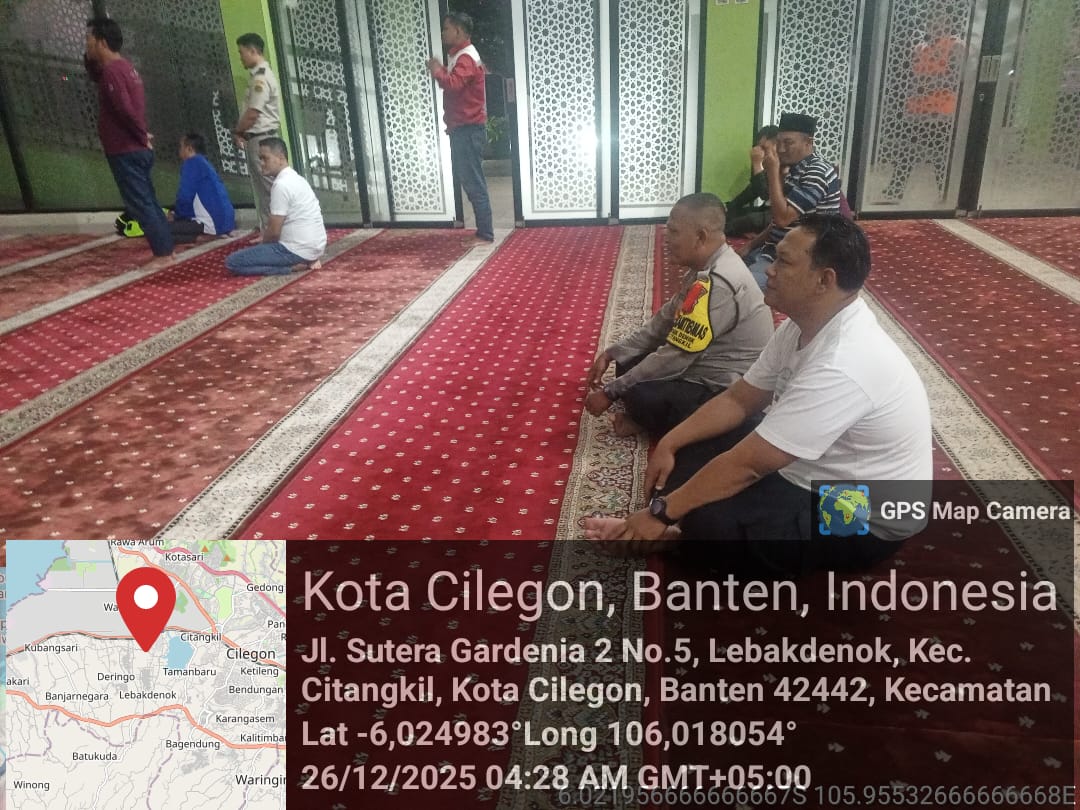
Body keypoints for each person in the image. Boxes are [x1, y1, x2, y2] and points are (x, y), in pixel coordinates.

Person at [586, 214, 932, 579]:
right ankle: (682, 526)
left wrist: (660, 514)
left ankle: (676, 536)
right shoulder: (803, 325)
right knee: (692, 449)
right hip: (807, 467)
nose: (769, 269)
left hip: (862, 514)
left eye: (783, 261)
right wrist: (670, 443)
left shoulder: (845, 361)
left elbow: (751, 464)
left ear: (824, 280)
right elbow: (739, 400)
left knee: (709, 522)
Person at [584, 193, 773, 439]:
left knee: (642, 395)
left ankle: (655, 424)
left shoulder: (719, 282)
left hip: (725, 387)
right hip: (702, 364)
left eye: (673, 232)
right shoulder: (706, 269)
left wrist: (610, 392)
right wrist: (611, 352)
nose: (666, 238)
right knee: (627, 361)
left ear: (700, 237)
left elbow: (677, 356)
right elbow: (663, 322)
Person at [84, 16, 174, 268]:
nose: (86, 44)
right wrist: (142, 135)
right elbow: (96, 76)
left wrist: (141, 136)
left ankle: (163, 254)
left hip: (126, 149)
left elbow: (125, 110)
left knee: (141, 203)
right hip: (133, 147)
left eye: (89, 39)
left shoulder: (113, 72)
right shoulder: (124, 68)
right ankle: (166, 249)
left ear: (102, 42)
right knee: (148, 201)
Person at [738, 113, 841, 290]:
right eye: (779, 143)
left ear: (808, 142)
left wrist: (773, 172)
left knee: (741, 289)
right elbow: (776, 223)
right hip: (773, 250)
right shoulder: (796, 169)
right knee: (721, 272)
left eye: (788, 143)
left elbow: (782, 219)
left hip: (799, 257)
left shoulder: (816, 172)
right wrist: (750, 245)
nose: (781, 149)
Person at [879, 14, 964, 203]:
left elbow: (956, 78)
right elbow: (912, 77)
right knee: (906, 151)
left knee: (939, 155)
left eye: (938, 21)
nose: (933, 25)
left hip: (941, 111)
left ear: (948, 24)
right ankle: (896, 190)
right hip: (918, 109)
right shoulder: (920, 48)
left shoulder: (955, 46)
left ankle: (946, 193)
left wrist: (927, 83)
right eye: (930, 21)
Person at [426, 12, 493, 243]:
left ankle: (485, 232)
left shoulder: (466, 57)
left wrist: (437, 70)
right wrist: (440, 70)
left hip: (468, 129)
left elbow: (453, 84)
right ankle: (484, 231)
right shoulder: (461, 55)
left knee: (473, 181)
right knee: (471, 180)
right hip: (464, 128)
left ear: (459, 31)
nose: (443, 33)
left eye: (446, 29)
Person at [225, 138, 325, 276]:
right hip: (316, 247)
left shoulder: (281, 185)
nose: (261, 163)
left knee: (233, 262)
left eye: (265, 158)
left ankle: (289, 268)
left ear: (281, 158)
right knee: (258, 254)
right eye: (260, 159)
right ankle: (306, 259)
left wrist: (263, 249)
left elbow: (273, 232)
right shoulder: (297, 178)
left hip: (295, 250)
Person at [233, 33, 281, 230]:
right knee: (264, 188)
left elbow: (253, 113)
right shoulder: (259, 75)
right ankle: (268, 229)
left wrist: (238, 131)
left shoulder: (260, 78)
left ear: (253, 51)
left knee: (269, 188)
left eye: (242, 52)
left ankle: (277, 231)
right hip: (261, 138)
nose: (241, 57)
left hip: (261, 139)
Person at [168, 133, 236, 243]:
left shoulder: (191, 163)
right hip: (227, 222)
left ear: (189, 149)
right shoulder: (205, 163)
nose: (179, 150)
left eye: (181, 147)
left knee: (160, 230)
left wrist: (176, 216)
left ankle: (202, 237)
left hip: (211, 223)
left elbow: (185, 197)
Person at [724, 126, 779, 237]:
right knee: (728, 215)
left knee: (747, 220)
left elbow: (765, 195)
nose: (760, 153)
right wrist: (727, 207)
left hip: (776, 216)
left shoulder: (785, 167)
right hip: (765, 211)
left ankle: (715, 233)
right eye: (759, 148)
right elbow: (752, 191)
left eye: (764, 148)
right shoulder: (768, 167)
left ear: (777, 145)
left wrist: (757, 164)